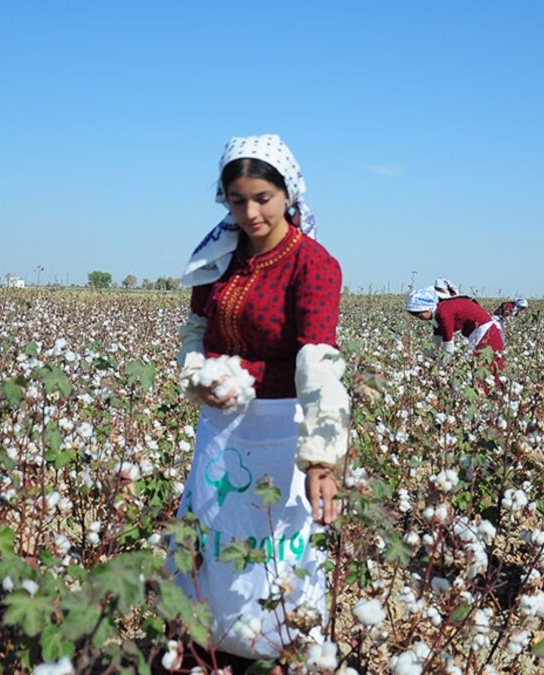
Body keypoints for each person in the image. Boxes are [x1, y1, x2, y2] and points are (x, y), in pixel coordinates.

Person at [172, 134, 349, 667]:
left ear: (288, 195)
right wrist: (197, 374)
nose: (251, 212)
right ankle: (205, 642)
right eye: (237, 200)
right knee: (212, 537)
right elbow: (196, 328)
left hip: (282, 430)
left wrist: (321, 459)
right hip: (222, 430)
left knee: (275, 548)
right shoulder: (219, 258)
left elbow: (317, 361)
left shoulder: (313, 265)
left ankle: (278, 649)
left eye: (263, 199)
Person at [406, 286, 505, 372]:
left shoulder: (444, 313)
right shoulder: (440, 311)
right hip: (479, 333)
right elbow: (436, 340)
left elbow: (448, 345)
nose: (420, 319)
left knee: (486, 369)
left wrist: (441, 367)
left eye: (420, 315)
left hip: (487, 334)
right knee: (479, 367)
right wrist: (426, 360)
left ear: (428, 308)